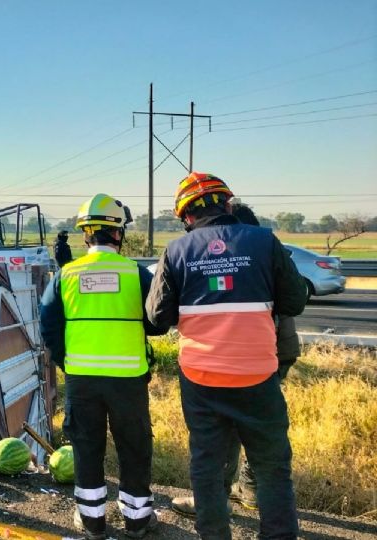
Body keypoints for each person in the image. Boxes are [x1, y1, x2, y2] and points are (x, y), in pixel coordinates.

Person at [146, 173, 307, 540]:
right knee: (270, 469)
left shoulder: (176, 252)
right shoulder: (265, 241)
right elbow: (295, 300)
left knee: (207, 467)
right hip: (258, 376)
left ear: (186, 217)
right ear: (229, 206)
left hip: (202, 381)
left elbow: (156, 317)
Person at [39, 194, 165, 540]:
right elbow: (157, 322)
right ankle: (138, 521)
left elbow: (49, 326)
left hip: (82, 380)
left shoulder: (66, 275)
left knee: (86, 446)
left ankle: (92, 521)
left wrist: (67, 361)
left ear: (86, 236)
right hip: (128, 380)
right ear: (119, 234)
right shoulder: (137, 274)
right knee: (134, 447)